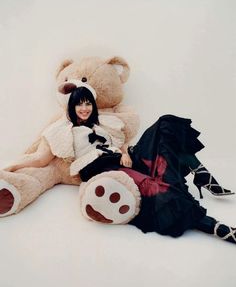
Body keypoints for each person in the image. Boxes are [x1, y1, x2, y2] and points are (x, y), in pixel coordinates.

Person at [6, 86, 236, 245]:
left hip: (127, 160)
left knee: (165, 125)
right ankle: (216, 228)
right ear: (72, 107)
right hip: (106, 170)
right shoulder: (61, 131)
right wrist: (9, 168)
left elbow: (120, 145)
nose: (84, 108)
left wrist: (125, 152)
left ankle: (201, 174)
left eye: (88, 103)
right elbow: (39, 159)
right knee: (160, 189)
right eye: (79, 104)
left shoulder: (103, 125)